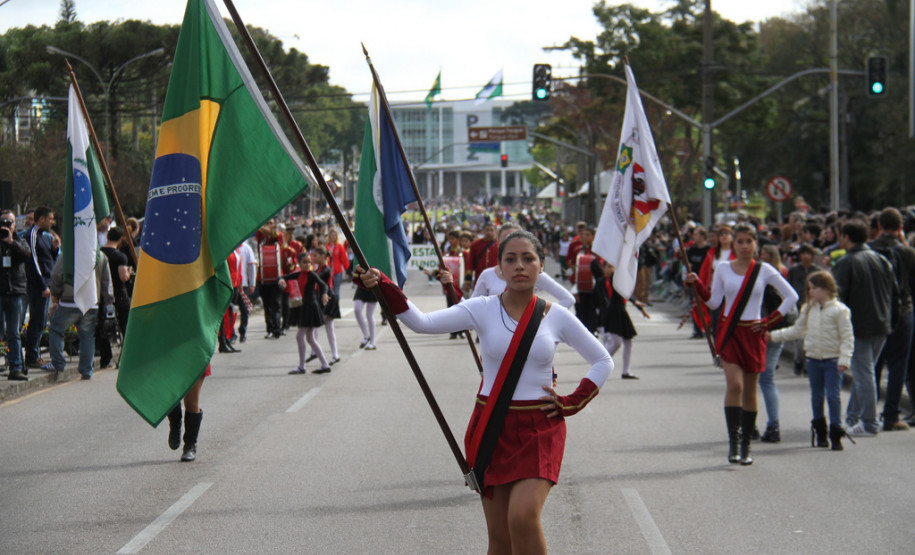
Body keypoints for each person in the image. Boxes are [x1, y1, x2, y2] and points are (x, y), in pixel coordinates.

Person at [355, 230, 612, 554]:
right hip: (491, 425)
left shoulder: (556, 315)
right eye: (510, 259)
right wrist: (384, 284)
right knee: (500, 538)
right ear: (499, 269)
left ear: (540, 266)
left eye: (528, 259)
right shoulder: (481, 308)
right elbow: (421, 322)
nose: (519, 266)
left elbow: (602, 360)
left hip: (539, 429)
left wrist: (572, 401)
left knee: (522, 517)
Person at [686, 223, 798, 465]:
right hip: (729, 332)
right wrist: (698, 286)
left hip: (754, 333)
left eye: (749, 241)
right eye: (740, 241)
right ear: (733, 244)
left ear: (756, 244)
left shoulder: (765, 269)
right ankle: (733, 443)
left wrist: (769, 321)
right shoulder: (724, 268)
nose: (745, 245)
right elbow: (715, 302)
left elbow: (792, 296)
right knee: (734, 385)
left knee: (749, 390)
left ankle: (746, 445)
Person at [768, 271, 854, 450]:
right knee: (816, 396)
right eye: (810, 288)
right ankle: (820, 430)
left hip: (832, 360)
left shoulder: (840, 311)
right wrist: (772, 336)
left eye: (814, 288)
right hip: (813, 359)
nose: (811, 292)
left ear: (827, 289)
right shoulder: (808, 309)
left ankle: (836, 430)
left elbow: (847, 337)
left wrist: (844, 359)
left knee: (833, 396)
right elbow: (797, 330)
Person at [834, 220, 897, 437]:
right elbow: (894, 293)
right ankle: (852, 419)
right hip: (882, 323)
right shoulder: (881, 259)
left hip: (858, 326)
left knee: (864, 375)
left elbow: (838, 299)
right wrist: (892, 321)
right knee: (866, 373)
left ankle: (869, 423)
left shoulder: (846, 262)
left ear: (846, 237)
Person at [867, 207, 915, 431]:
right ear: (901, 227)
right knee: (898, 366)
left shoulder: (869, 250)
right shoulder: (907, 253)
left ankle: (870, 415)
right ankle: (891, 415)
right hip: (903, 311)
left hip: (875, 313)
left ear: (878, 227)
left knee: (874, 364)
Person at [471, 224, 575, 309]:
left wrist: (543, 319)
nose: (512, 244)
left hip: (527, 333)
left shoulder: (536, 274)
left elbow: (568, 299)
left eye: (516, 239)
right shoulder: (487, 275)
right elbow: (472, 307)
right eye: (506, 241)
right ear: (498, 244)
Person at [45, 251, 112, 380]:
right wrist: (108, 301)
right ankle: (86, 371)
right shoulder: (101, 255)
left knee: (56, 329)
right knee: (87, 336)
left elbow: (56, 275)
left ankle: (58, 363)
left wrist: (56, 292)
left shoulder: (69, 252)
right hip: (92, 302)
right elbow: (106, 283)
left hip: (70, 301)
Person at [756, 243, 792, 442]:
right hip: (771, 329)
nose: (763, 258)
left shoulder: (763, 275)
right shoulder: (770, 273)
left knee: (762, 378)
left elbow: (792, 298)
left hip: (764, 330)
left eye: (765, 255)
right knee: (764, 378)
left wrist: (766, 324)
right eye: (761, 255)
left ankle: (770, 425)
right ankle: (768, 424)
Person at [595, 259, 647, 379]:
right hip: (610, 312)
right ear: (603, 269)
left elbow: (626, 293)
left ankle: (626, 371)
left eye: (613, 267)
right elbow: (601, 300)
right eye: (608, 266)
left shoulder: (619, 279)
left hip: (621, 311)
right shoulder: (604, 281)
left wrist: (636, 303)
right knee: (616, 343)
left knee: (628, 341)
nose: (611, 269)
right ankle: (599, 363)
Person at [283, 252, 331, 375]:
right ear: (299, 263)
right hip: (306, 306)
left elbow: (323, 285)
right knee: (310, 338)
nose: (308, 264)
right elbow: (283, 277)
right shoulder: (299, 274)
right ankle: (324, 364)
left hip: (311, 306)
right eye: (305, 262)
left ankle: (302, 366)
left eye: (309, 262)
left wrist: (324, 294)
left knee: (300, 336)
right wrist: (281, 281)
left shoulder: (312, 274)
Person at [24, 206, 59, 370]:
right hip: (38, 286)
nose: (52, 222)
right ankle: (31, 356)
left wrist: (54, 248)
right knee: (36, 321)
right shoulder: (32, 235)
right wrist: (43, 285)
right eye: (50, 218)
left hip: (47, 283)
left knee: (41, 322)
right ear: (42, 219)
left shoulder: (45, 236)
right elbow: (34, 263)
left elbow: (47, 261)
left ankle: (35, 354)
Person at [0, 210, 31, 381]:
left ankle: (16, 367)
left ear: (14, 225)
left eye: (9, 223)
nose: (6, 226)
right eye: (3, 222)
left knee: (14, 332)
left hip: (15, 292)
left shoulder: (20, 241)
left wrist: (11, 242)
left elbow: (26, 256)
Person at [165, 364, 209, 462]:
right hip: (170, 354)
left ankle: (190, 445)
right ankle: (175, 422)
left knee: (191, 402)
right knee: (171, 398)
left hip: (196, 353)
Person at [312, 247, 341, 365]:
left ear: (323, 256)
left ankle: (315, 351)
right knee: (328, 328)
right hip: (323, 298)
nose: (313, 258)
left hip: (328, 297)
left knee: (316, 323)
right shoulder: (319, 268)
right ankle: (335, 354)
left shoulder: (326, 269)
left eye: (315, 256)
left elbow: (317, 278)